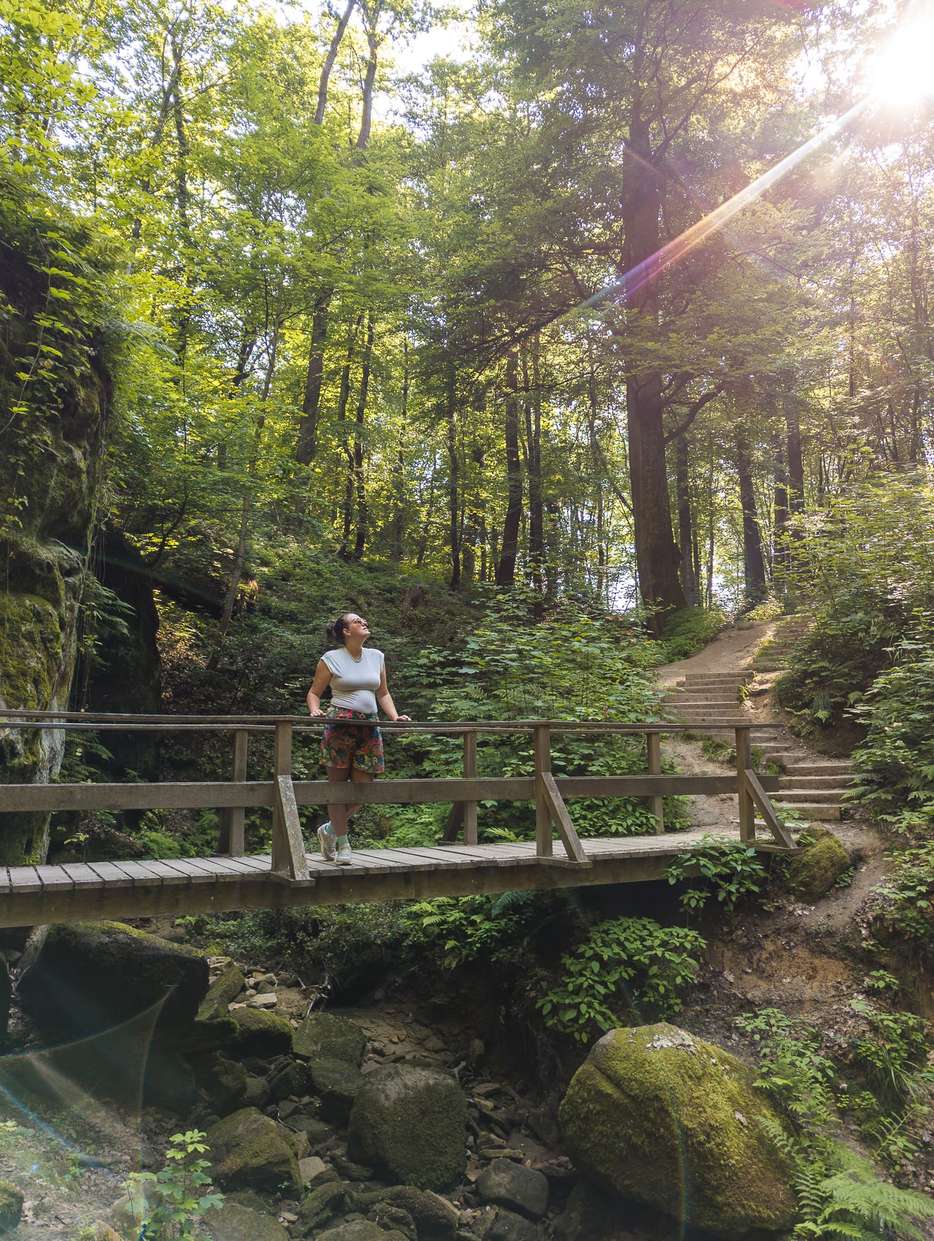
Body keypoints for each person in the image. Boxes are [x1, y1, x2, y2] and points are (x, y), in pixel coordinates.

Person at [306, 613, 409, 865]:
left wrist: (394, 716)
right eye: (356, 621)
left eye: (364, 619)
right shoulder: (330, 659)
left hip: (369, 724)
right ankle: (342, 845)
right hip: (339, 725)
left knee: (363, 788)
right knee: (337, 788)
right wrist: (314, 710)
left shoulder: (377, 656)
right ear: (345, 631)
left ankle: (329, 830)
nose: (364, 621)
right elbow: (314, 692)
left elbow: (383, 692)